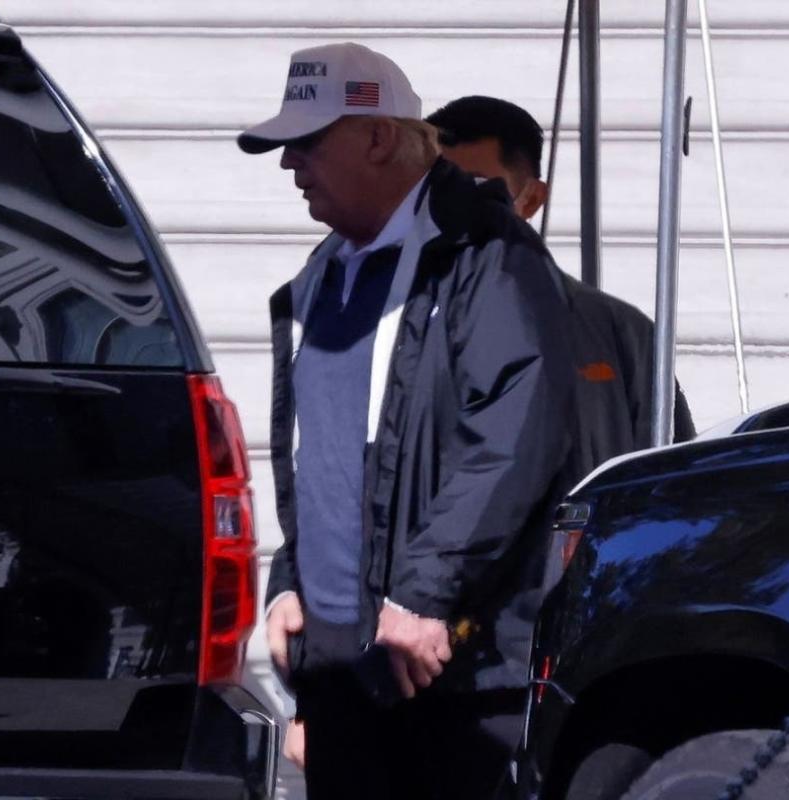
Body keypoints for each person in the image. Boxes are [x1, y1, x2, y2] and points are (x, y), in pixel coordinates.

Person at [239, 43, 576, 799]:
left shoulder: (484, 253)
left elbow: (513, 439)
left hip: (446, 667)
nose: (290, 164)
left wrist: (424, 597)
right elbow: (322, 459)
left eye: (308, 142)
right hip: (339, 667)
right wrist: (289, 584)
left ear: (378, 137)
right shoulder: (323, 272)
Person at [426, 95, 696, 480]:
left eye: (477, 186)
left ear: (532, 199)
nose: (450, 206)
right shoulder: (386, 320)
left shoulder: (620, 332)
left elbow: (671, 478)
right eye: (433, 188)